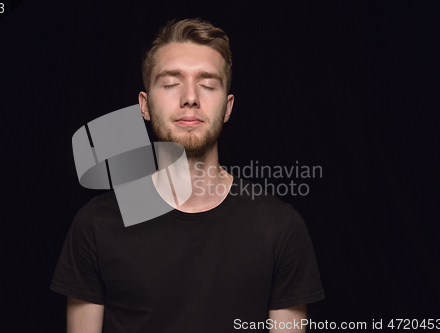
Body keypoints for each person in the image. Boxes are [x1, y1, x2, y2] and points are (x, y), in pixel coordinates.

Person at [50, 18, 325, 332]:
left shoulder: (280, 227)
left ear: (227, 107)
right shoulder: (96, 226)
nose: (190, 97)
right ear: (144, 105)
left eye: (207, 84)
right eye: (170, 83)